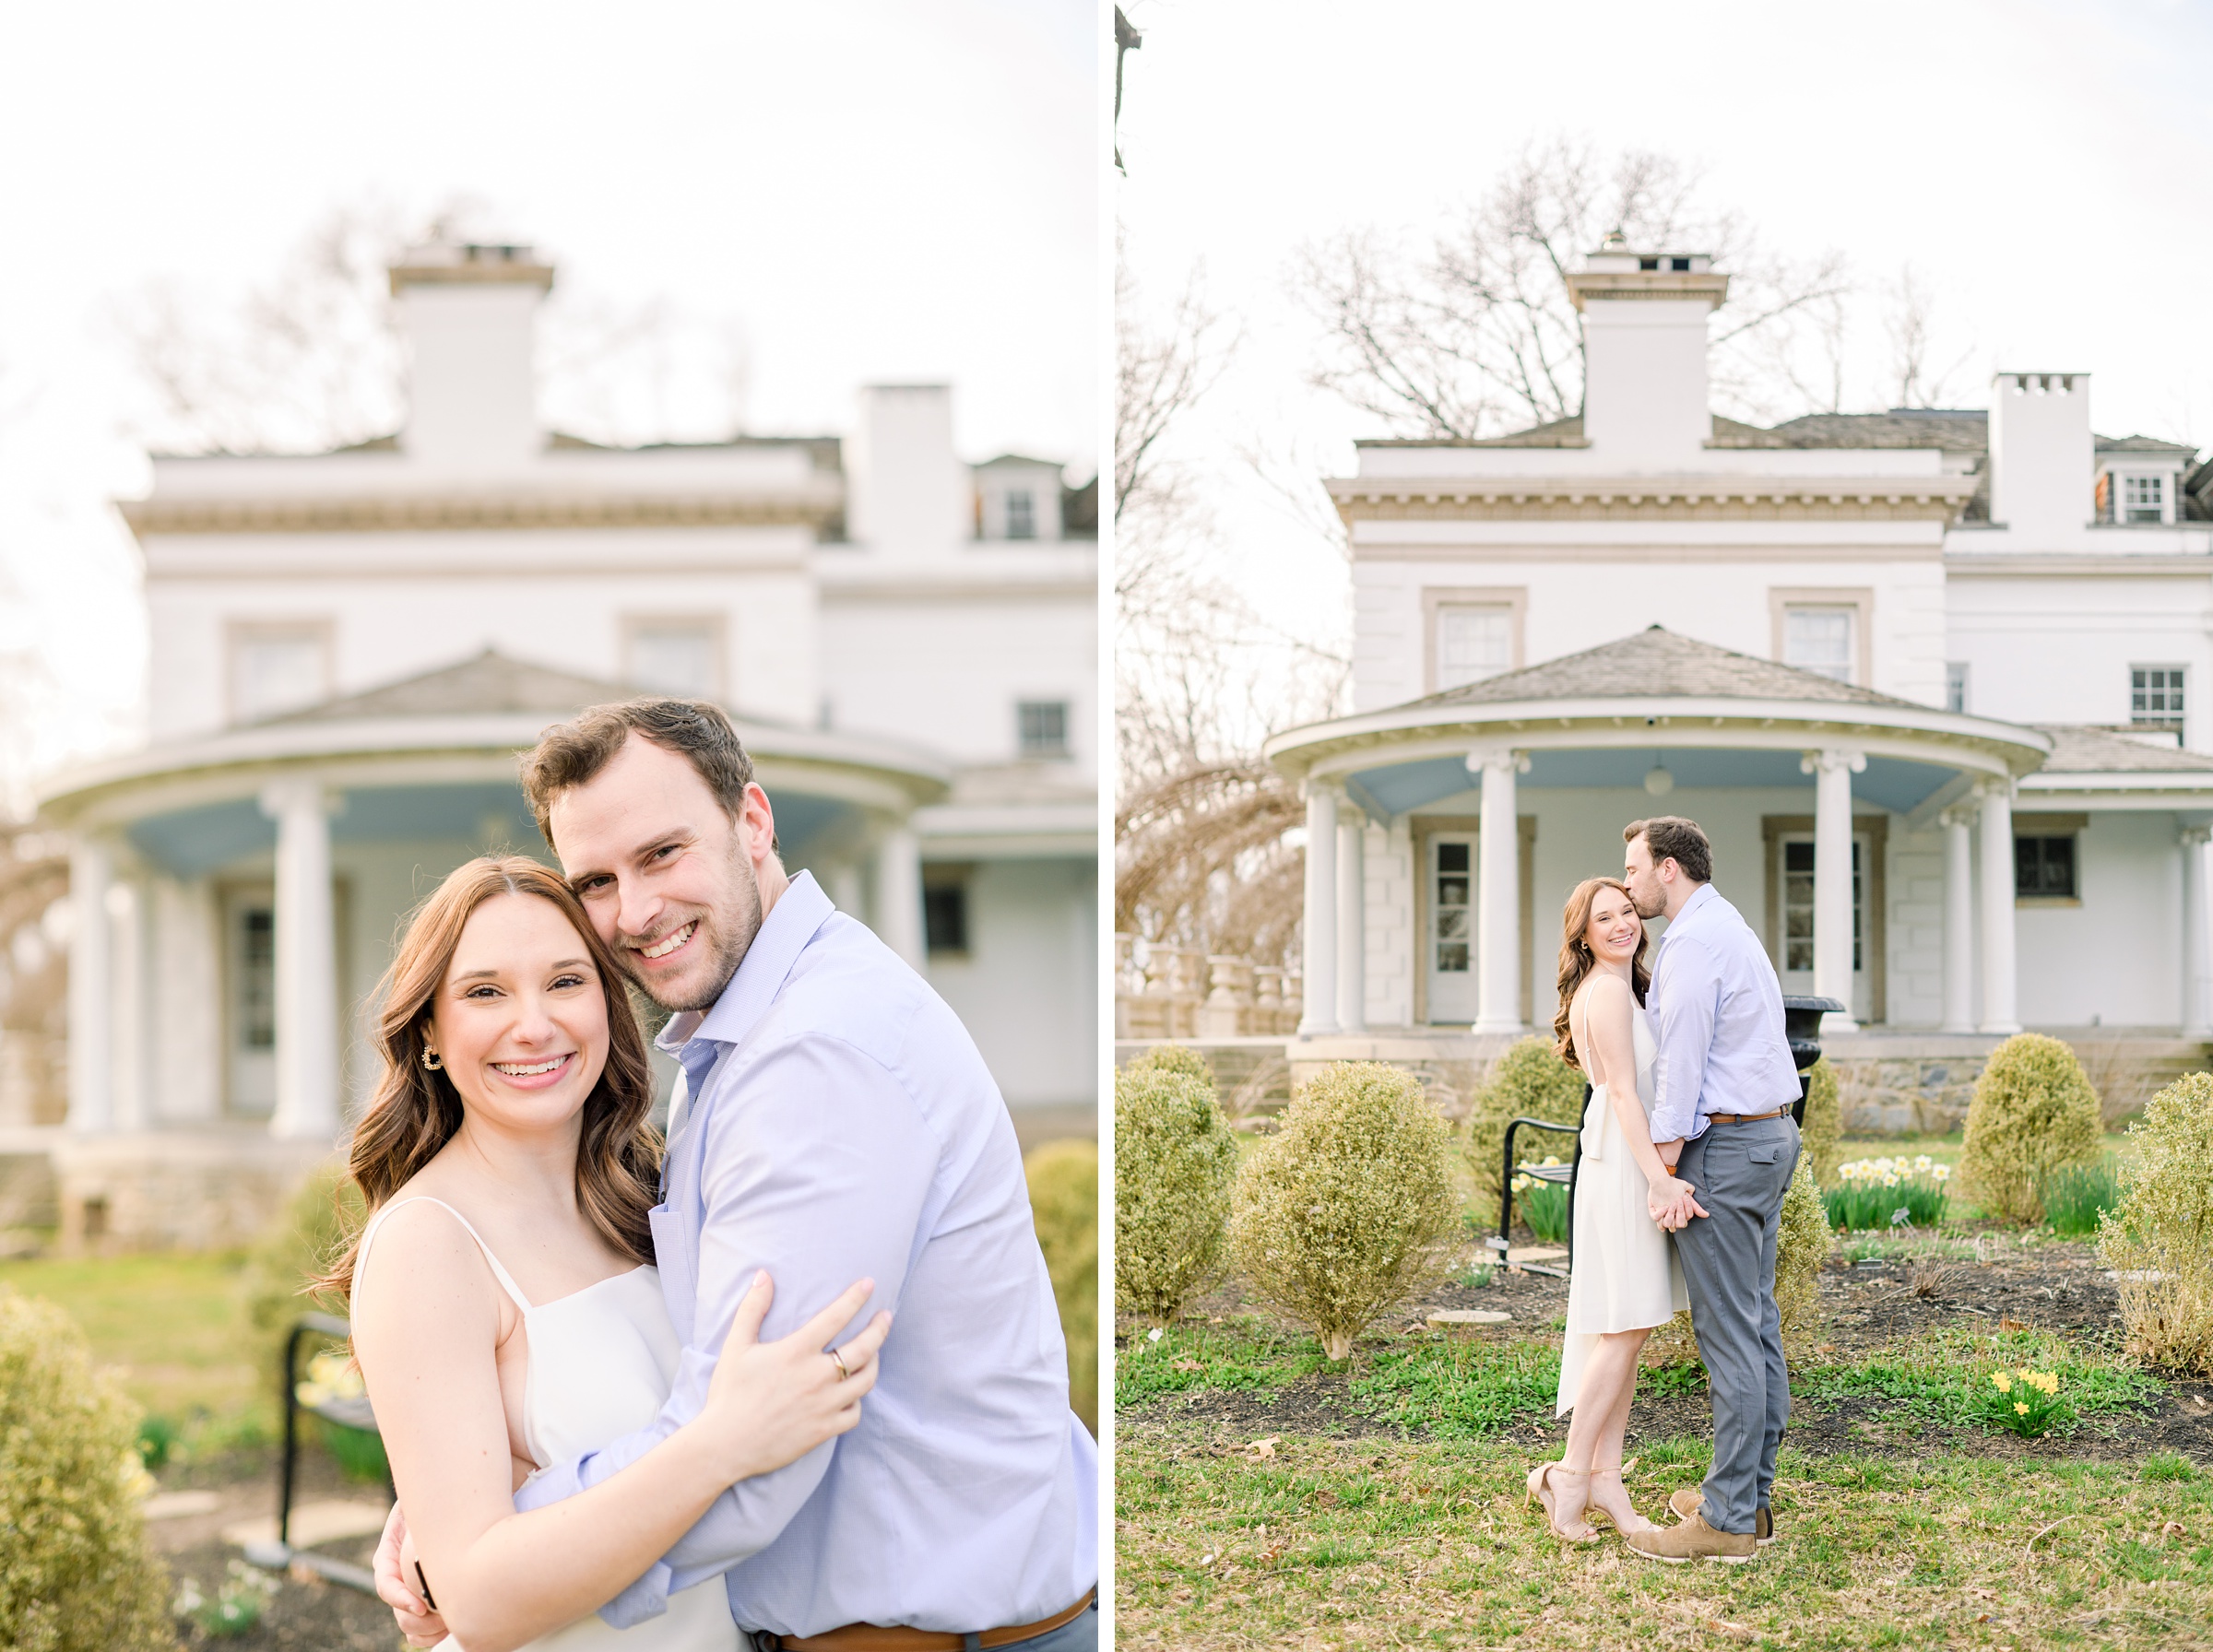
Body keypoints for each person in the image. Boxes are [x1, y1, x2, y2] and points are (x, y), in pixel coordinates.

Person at [376, 699, 1098, 1649]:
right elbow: (696, 1398)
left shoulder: (813, 1054)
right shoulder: (727, 1054)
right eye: (597, 878)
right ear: (428, 1030)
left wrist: (492, 1533)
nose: (635, 912)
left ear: (751, 820)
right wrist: (455, 1488)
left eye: (662, 853)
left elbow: (755, 1469)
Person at [341, 856, 892, 1652]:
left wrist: (462, 1495)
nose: (534, 1024)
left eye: (566, 981)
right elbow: (479, 1603)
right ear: (429, 1029)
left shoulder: (651, 1196)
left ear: (608, 1003)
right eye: (485, 991)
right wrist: (719, 1445)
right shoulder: (427, 1243)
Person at [1617, 816, 1804, 1564]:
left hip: (1725, 1146)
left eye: (1632, 869)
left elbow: (1681, 1076)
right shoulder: (1727, 924)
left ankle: (1725, 1520)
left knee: (1730, 1338)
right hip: (1767, 1137)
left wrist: (1660, 1175)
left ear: (1667, 868)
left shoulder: (1693, 946)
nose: (1626, 884)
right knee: (1754, 1325)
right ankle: (1747, 1500)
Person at [1525, 877, 1701, 1544]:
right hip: (1624, 1165)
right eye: (1605, 918)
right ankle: (1570, 1474)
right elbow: (1626, 1096)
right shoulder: (1603, 993)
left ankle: (1605, 1478)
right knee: (1625, 1325)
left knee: (1629, 1325)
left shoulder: (1627, 986)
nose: (1623, 924)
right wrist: (1660, 1180)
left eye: (1627, 911)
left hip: (1628, 1159)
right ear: (1584, 935)